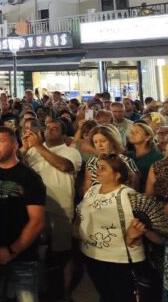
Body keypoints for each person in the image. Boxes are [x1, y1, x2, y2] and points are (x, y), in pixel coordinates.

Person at [76, 153, 163, 302]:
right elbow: (80, 213)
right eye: (98, 167)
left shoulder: (128, 196)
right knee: (106, 295)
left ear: (117, 175)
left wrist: (139, 231)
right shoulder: (92, 190)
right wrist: (76, 226)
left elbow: (157, 235)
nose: (97, 171)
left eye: (103, 168)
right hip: (92, 256)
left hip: (120, 260)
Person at [0, 126, 45, 302]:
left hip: (22, 254)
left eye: (1, 141)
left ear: (15, 145)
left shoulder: (29, 177)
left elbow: (37, 220)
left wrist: (12, 250)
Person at [22, 118, 81, 301]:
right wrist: (24, 149)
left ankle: (64, 293)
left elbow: (64, 166)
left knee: (62, 252)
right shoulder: (32, 151)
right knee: (37, 252)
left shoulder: (71, 152)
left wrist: (38, 147)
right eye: (47, 127)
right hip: (35, 208)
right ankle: (41, 289)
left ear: (64, 134)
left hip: (60, 209)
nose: (50, 130)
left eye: (55, 128)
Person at [82, 124, 139, 193]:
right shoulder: (92, 161)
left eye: (103, 141)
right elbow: (86, 187)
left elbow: (133, 188)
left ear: (113, 141)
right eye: (95, 142)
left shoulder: (126, 161)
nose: (99, 145)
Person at [129, 122, 163, 191]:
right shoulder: (128, 155)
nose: (132, 134)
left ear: (147, 137)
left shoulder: (158, 157)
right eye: (131, 132)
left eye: (137, 132)